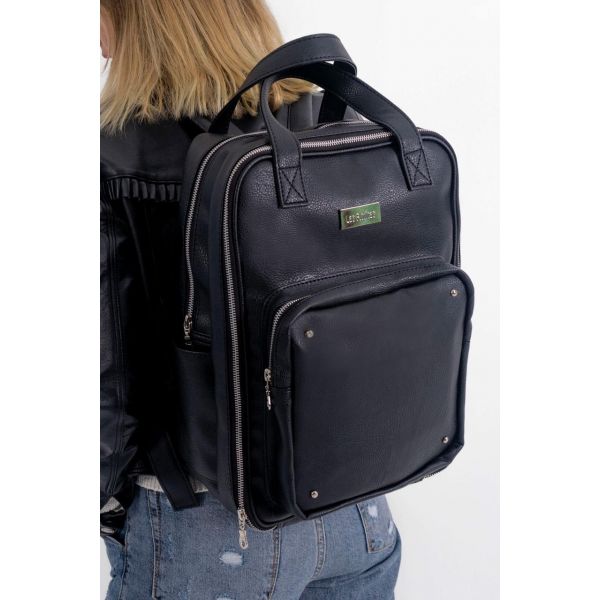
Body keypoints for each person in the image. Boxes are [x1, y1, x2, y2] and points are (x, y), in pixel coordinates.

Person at [100, 1, 401, 598]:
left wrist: (106, 502)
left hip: (205, 524)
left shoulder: (112, 152)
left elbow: (106, 372)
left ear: (139, 23)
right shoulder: (332, 117)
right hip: (357, 507)